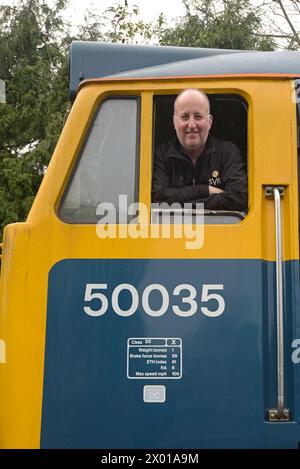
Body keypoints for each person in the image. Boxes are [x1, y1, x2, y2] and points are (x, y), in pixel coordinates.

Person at [152, 88, 248, 211]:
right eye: (185, 117)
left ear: (209, 122)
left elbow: (237, 198)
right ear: (174, 122)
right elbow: (158, 198)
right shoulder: (161, 154)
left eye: (198, 117)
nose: (192, 125)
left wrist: (183, 204)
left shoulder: (228, 152)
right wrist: (205, 190)